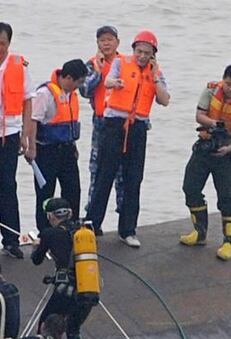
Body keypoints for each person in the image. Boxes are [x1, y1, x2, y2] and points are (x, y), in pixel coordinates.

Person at [86, 30, 171, 248]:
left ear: (153, 55)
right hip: (114, 124)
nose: (142, 56)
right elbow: (108, 81)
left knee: (134, 179)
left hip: (138, 127)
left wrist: (154, 76)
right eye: (139, 51)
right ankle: (92, 224)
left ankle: (128, 229)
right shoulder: (121, 62)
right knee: (104, 174)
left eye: (147, 53)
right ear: (133, 50)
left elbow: (164, 100)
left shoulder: (156, 72)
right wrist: (115, 83)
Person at [180, 65, 231, 261]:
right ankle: (199, 232)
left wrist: (230, 148)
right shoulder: (211, 89)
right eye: (228, 84)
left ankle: (228, 242)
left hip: (228, 153)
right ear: (223, 79)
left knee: (226, 197)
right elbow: (199, 115)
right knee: (190, 187)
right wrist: (214, 124)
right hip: (206, 146)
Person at [0, 22, 34, 258]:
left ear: (9, 43)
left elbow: (28, 100)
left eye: (3, 43)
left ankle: (11, 239)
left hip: (10, 132)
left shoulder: (19, 64)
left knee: (8, 186)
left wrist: (26, 135)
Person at [32, 197, 97, 339]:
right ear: (70, 213)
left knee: (45, 326)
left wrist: (38, 245)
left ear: (51, 217)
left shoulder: (49, 233)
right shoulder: (84, 233)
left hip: (65, 290)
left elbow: (36, 259)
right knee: (73, 330)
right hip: (88, 288)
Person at [27, 59, 88, 231]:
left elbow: (69, 123)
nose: (79, 87)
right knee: (45, 193)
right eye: (79, 82)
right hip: (46, 150)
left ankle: (70, 227)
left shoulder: (71, 94)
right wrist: (31, 148)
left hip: (67, 150)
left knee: (73, 190)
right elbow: (33, 121)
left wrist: (74, 147)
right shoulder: (44, 94)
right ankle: (45, 231)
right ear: (68, 78)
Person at [81, 25, 124, 218]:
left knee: (123, 170)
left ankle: (124, 213)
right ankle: (92, 215)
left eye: (109, 39)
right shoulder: (91, 64)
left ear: (117, 42)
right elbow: (84, 90)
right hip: (101, 121)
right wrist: (98, 71)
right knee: (97, 167)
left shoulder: (126, 63)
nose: (106, 43)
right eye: (102, 40)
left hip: (123, 121)